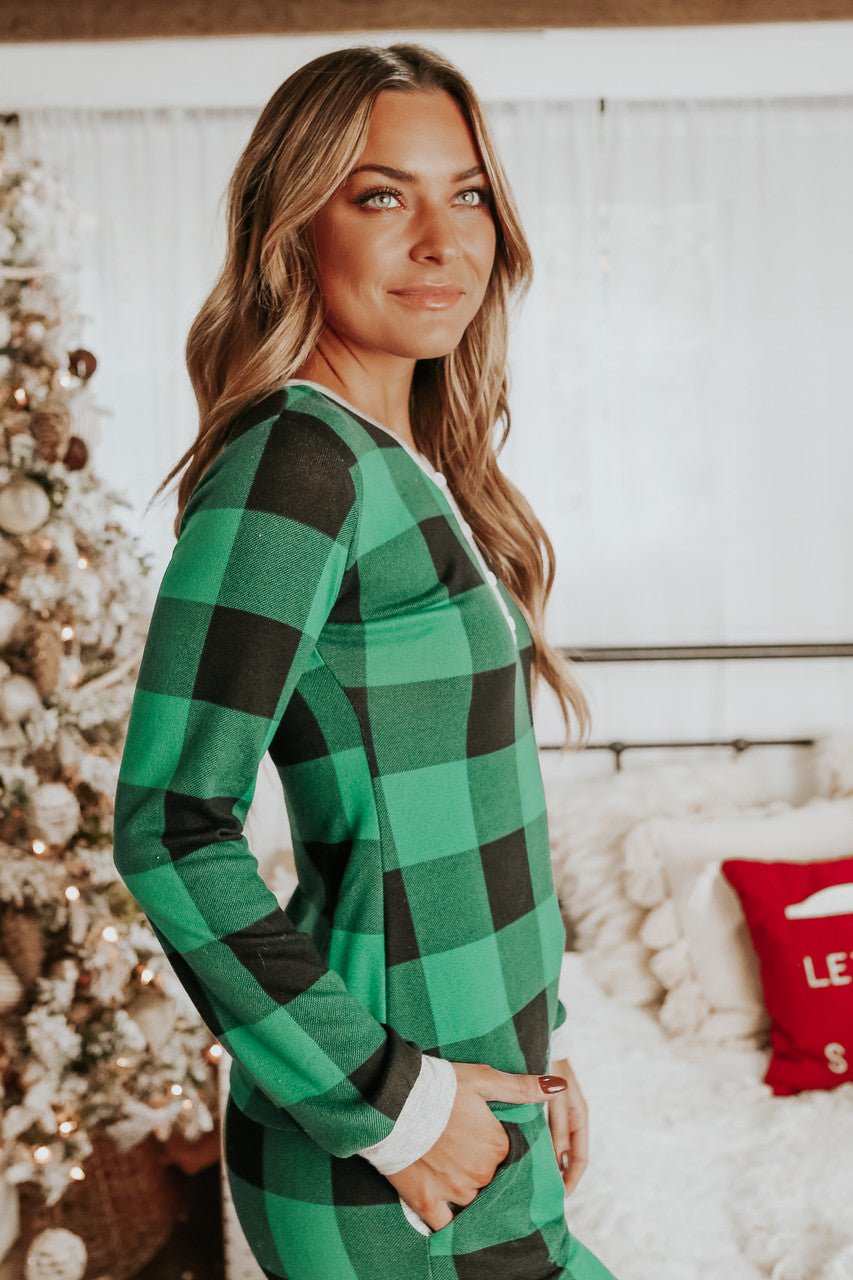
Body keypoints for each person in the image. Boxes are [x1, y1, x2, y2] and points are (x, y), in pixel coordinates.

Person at [112, 40, 619, 1280]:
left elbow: (464, 825)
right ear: (295, 225)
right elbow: (170, 820)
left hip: (478, 1100)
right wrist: (396, 1101)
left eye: (470, 194)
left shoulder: (406, 462)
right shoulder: (295, 461)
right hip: (390, 1142)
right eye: (382, 195)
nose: (443, 241)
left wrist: (539, 1054)